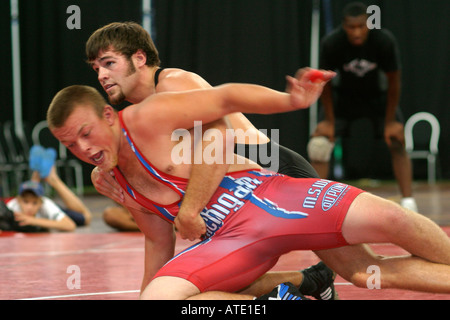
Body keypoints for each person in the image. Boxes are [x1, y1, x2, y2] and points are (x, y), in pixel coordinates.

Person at [47, 73, 450, 300]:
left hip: (272, 195)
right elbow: (157, 243)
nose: (83, 149)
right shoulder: (111, 179)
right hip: (232, 240)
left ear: (107, 114)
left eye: (85, 134)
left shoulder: (149, 114)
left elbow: (224, 102)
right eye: (70, 145)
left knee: (378, 246)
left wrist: (290, 101)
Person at [86, 22, 336, 300]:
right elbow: (159, 230)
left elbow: (222, 126)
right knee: (205, 288)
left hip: (270, 169)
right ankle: (312, 280)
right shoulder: (138, 117)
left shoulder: (171, 83)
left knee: (359, 269)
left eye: (108, 63)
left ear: (140, 58)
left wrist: (291, 100)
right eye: (96, 69)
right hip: (230, 194)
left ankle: (317, 278)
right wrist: (109, 173)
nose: (102, 75)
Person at [307, 2, 417, 211]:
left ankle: (409, 201)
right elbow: (325, 84)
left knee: (396, 139)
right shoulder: (332, 43)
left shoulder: (383, 41)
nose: (357, 32)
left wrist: (391, 120)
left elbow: (394, 81)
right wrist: (329, 121)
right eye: (351, 27)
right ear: (343, 26)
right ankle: (314, 205)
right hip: (344, 100)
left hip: (377, 98)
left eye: (361, 27)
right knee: (319, 145)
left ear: (369, 25)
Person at [3, 146, 91, 232]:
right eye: (25, 202)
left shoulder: (46, 205)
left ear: (41, 203)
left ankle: (52, 178)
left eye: (34, 203)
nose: (29, 207)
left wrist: (33, 221)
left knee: (86, 217)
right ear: (18, 200)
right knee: (33, 191)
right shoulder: (12, 206)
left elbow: (70, 225)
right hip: (39, 205)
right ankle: (37, 175)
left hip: (48, 210)